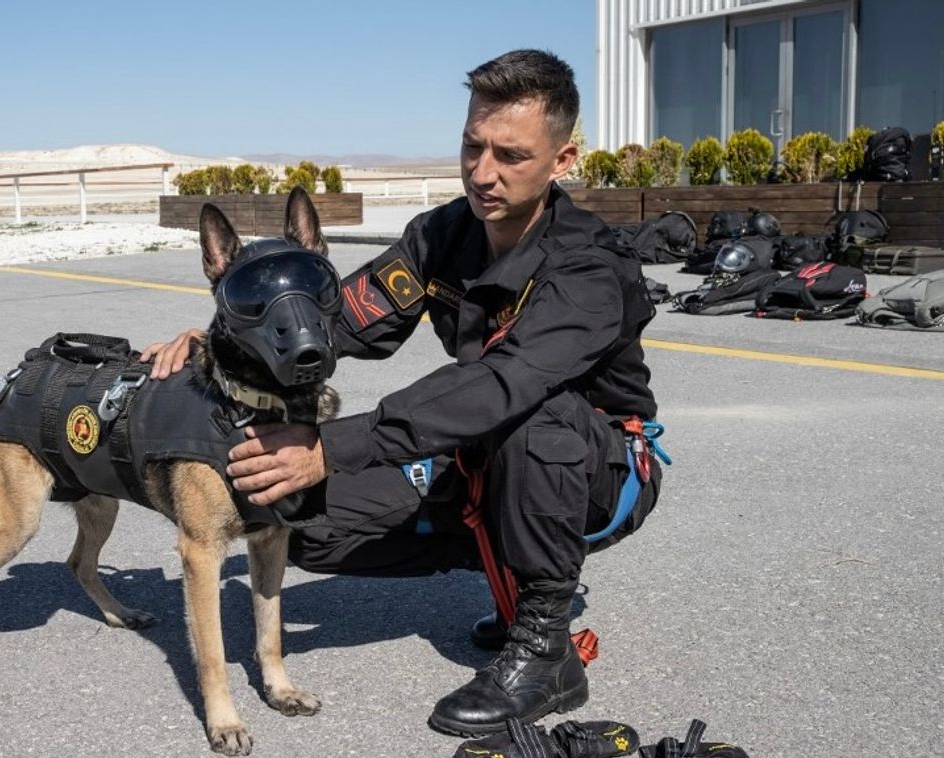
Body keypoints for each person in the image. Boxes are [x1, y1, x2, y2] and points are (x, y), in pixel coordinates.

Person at [141, 49, 661, 736]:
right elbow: (335, 322)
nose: (482, 172)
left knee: (537, 418)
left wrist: (330, 446)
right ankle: (504, 558)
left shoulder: (588, 268)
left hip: (597, 466)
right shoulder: (442, 235)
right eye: (471, 145)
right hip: (476, 455)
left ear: (561, 161)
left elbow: (499, 384)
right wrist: (234, 334)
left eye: (510, 155)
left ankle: (542, 646)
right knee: (291, 508)